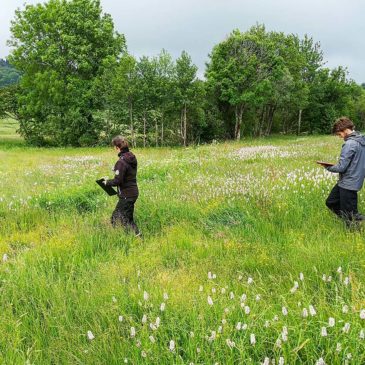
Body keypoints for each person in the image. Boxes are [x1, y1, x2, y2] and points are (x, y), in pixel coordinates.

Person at [323, 117, 365, 225]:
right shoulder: (361, 140)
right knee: (331, 202)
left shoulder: (350, 144)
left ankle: (355, 227)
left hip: (349, 183)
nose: (339, 136)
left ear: (345, 130)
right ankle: (350, 220)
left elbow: (341, 167)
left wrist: (327, 166)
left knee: (351, 214)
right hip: (348, 181)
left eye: (339, 134)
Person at [103, 136, 140, 235]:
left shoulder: (121, 162)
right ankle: (134, 237)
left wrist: (106, 182)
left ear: (116, 147)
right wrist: (116, 169)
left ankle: (134, 237)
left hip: (126, 195)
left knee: (117, 219)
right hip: (133, 193)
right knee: (127, 219)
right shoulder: (131, 156)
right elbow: (128, 170)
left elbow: (117, 181)